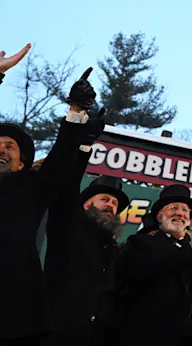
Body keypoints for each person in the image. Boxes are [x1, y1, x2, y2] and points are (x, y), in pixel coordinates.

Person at [0, 66, 99, 346]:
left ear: (22, 164)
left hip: (13, 313)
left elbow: (61, 158)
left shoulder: (29, 190)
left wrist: (78, 109)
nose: (2, 150)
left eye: (10, 146)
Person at [43, 131, 129, 346]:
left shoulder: (113, 248)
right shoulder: (70, 225)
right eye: (105, 199)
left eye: (115, 204)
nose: (110, 205)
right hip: (57, 330)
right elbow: (67, 187)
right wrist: (83, 149)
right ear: (86, 204)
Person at [117, 184, 192, 346]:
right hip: (151, 335)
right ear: (159, 216)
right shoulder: (142, 243)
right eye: (173, 208)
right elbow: (148, 269)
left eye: (185, 210)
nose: (179, 213)